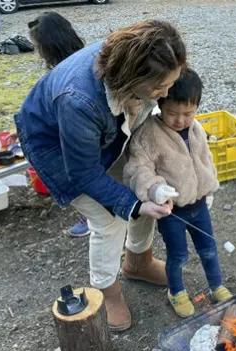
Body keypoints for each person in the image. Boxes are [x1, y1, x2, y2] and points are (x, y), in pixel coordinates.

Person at [14, 20, 187, 331]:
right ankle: (108, 292)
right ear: (132, 79)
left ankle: (138, 263)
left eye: (171, 83)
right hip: (53, 143)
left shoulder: (142, 63)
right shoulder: (78, 99)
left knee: (147, 188)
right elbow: (82, 171)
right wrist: (129, 205)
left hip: (108, 127)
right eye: (160, 88)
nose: (167, 93)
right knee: (109, 218)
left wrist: (143, 194)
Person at [123, 69, 232, 318]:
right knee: (178, 254)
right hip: (172, 211)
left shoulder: (196, 130)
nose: (181, 120)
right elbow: (138, 167)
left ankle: (217, 285)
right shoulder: (150, 133)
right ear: (161, 103)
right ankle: (176, 291)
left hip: (199, 204)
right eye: (173, 113)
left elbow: (205, 160)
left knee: (209, 249)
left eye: (188, 113)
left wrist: (208, 187)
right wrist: (154, 188)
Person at [27, 12, 90, 237]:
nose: (38, 52)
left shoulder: (67, 72)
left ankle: (92, 217)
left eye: (38, 46)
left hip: (84, 131)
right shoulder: (83, 54)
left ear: (49, 44)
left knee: (80, 166)